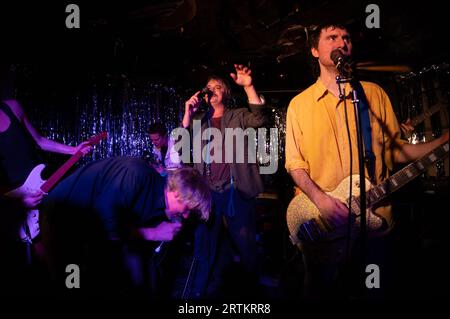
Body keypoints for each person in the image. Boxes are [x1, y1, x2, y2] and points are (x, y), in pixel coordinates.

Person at [284, 22, 449, 299]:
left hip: (375, 224)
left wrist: (442, 143)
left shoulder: (373, 94)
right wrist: (322, 200)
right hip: (323, 222)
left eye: (346, 38)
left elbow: (395, 151)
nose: (342, 43)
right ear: (314, 50)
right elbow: (295, 165)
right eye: (332, 37)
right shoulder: (299, 105)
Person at [39, 156, 211, 297]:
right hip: (62, 218)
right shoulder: (135, 175)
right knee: (71, 284)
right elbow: (106, 229)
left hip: (85, 228)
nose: (186, 215)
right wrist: (153, 233)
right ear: (176, 193)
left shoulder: (158, 205)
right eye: (187, 208)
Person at [180, 64, 270, 298]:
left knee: (246, 247)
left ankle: (254, 294)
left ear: (226, 93)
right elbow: (181, 152)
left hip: (235, 191)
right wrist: (187, 115)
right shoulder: (199, 121)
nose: (212, 90)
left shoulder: (237, 115)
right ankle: (198, 295)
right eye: (208, 87)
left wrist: (249, 86)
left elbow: (260, 119)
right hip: (208, 194)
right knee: (205, 248)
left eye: (217, 87)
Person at [0, 98, 91, 296]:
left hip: (43, 188)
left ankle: (73, 287)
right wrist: (18, 202)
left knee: (66, 244)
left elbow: (39, 142)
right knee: (42, 259)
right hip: (16, 205)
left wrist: (74, 150)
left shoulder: (12, 107)